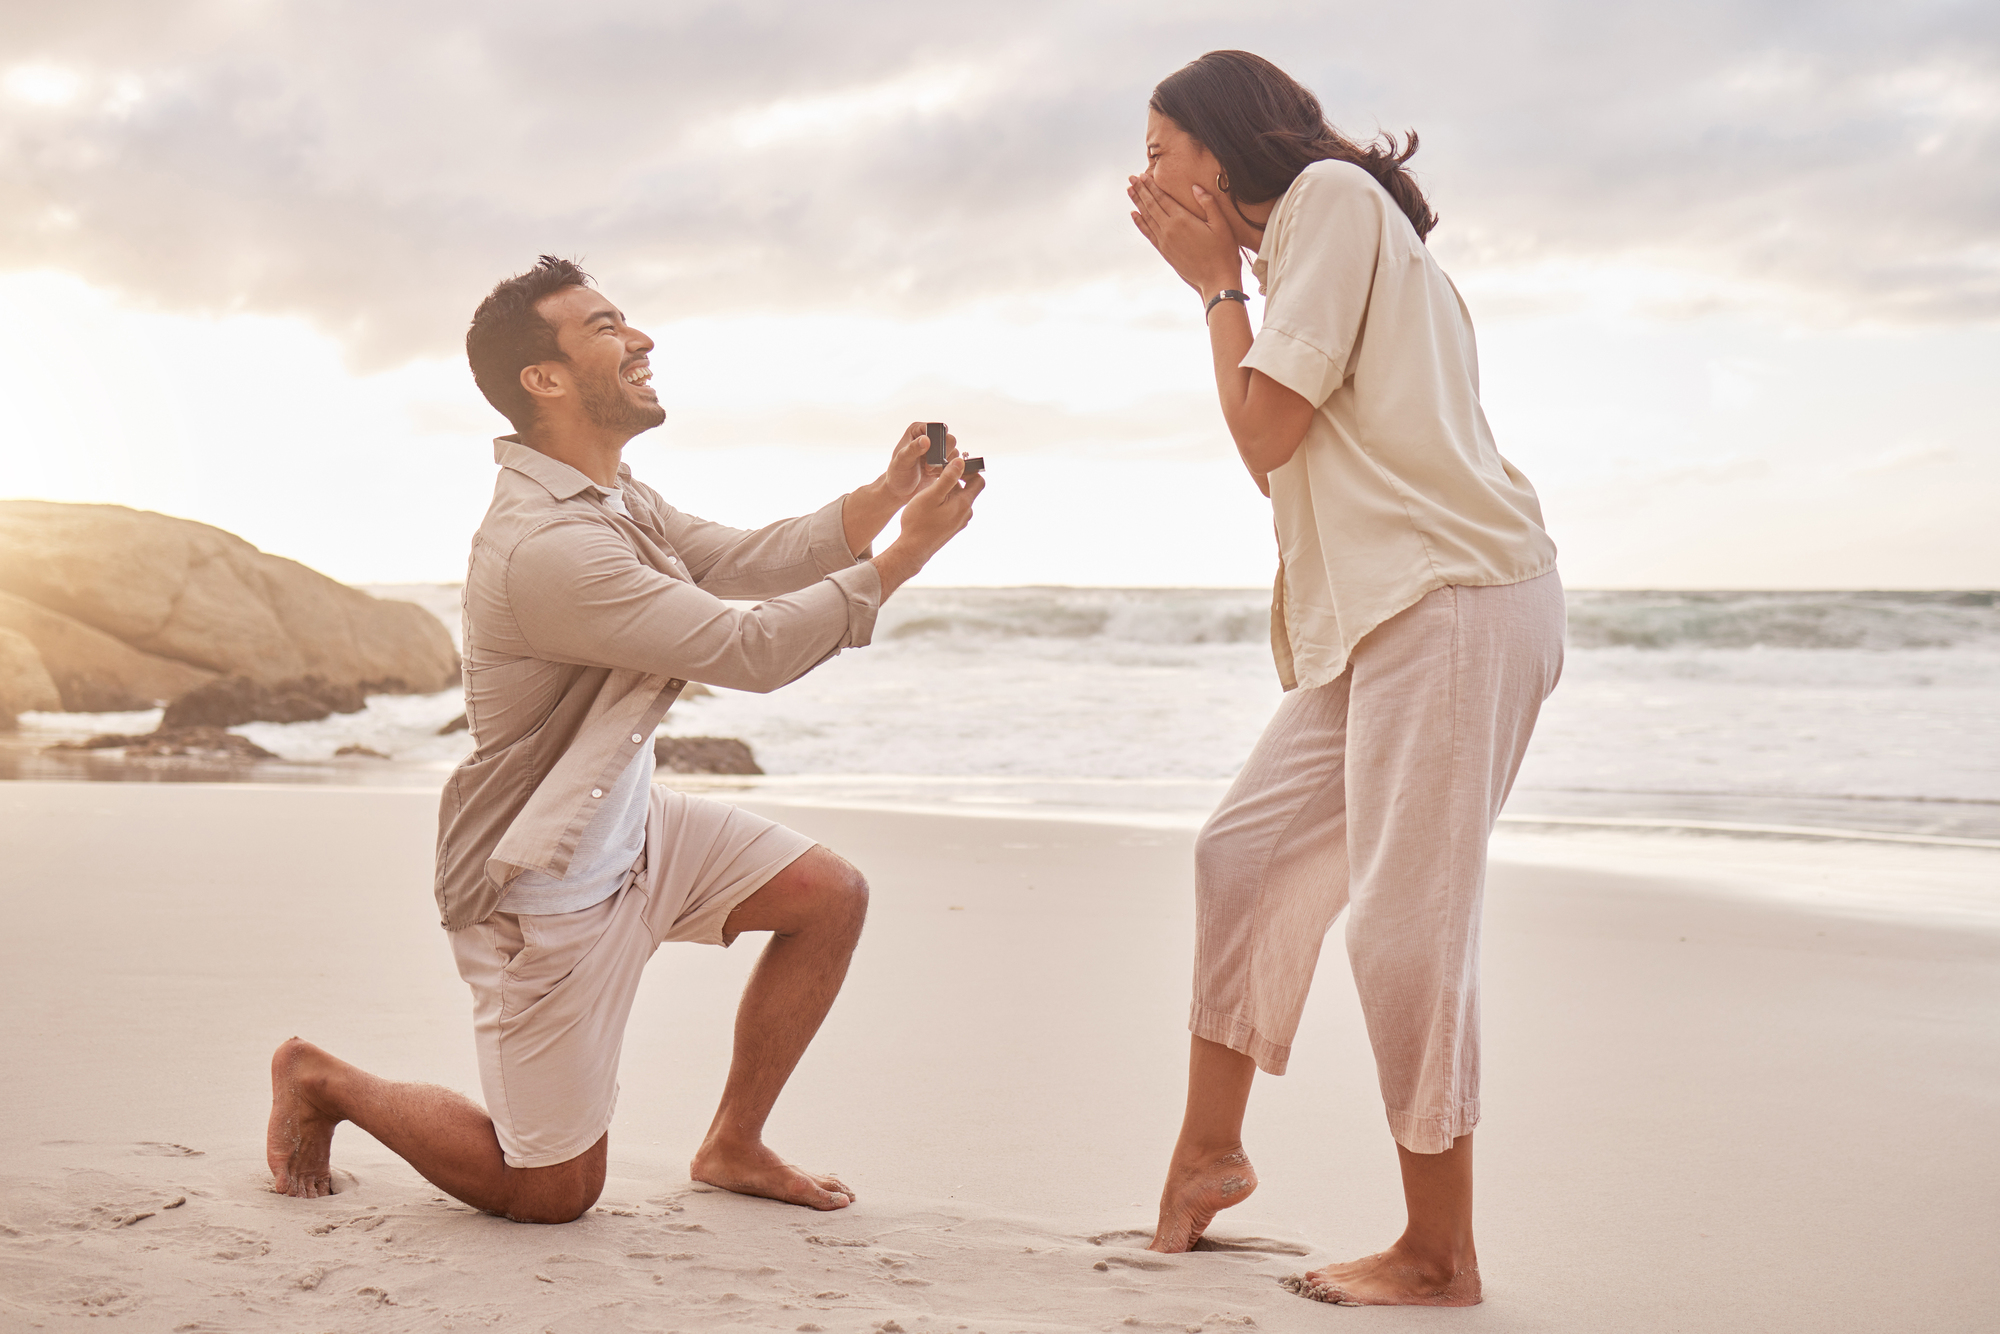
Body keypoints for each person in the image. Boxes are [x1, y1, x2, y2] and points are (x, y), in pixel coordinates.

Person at [265, 256, 983, 1224]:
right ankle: (322, 1079)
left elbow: (740, 558)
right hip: (541, 891)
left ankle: (732, 1139)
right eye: (606, 326)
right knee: (551, 1189)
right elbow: (751, 645)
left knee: (829, 896)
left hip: (630, 827)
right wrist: (906, 553)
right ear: (545, 379)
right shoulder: (547, 549)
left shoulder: (611, 494)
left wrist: (886, 492)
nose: (639, 339)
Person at [1127, 52, 1563, 1306]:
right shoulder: (1311, 240)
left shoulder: (1325, 202)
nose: (1145, 175)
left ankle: (1439, 1250)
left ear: (1217, 146)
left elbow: (1263, 436)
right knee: (1243, 854)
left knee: (1402, 930)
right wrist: (1230, 286)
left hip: (1454, 597)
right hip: (1383, 614)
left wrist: (1214, 290)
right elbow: (1284, 449)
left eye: (1159, 147)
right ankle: (1208, 1154)